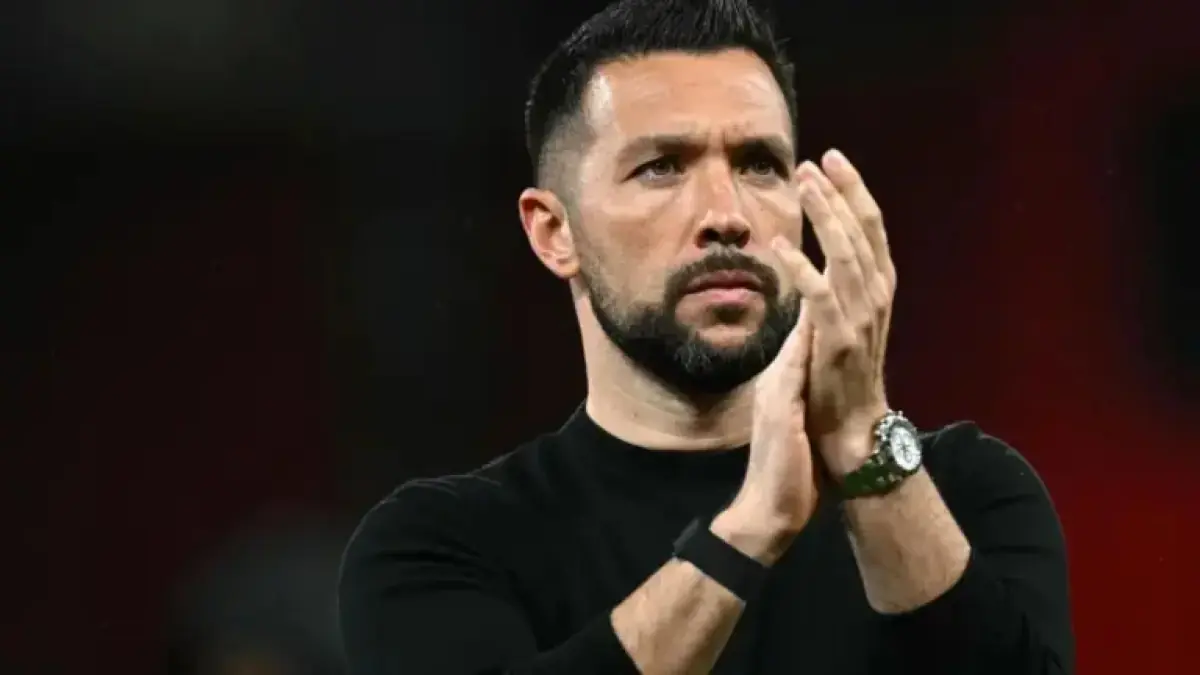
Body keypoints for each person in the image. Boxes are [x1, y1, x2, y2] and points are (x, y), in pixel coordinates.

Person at [337, 0, 1074, 673]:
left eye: (759, 164)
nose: (727, 214)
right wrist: (749, 532)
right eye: (662, 167)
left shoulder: (965, 492)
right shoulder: (445, 542)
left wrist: (863, 446)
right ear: (554, 231)